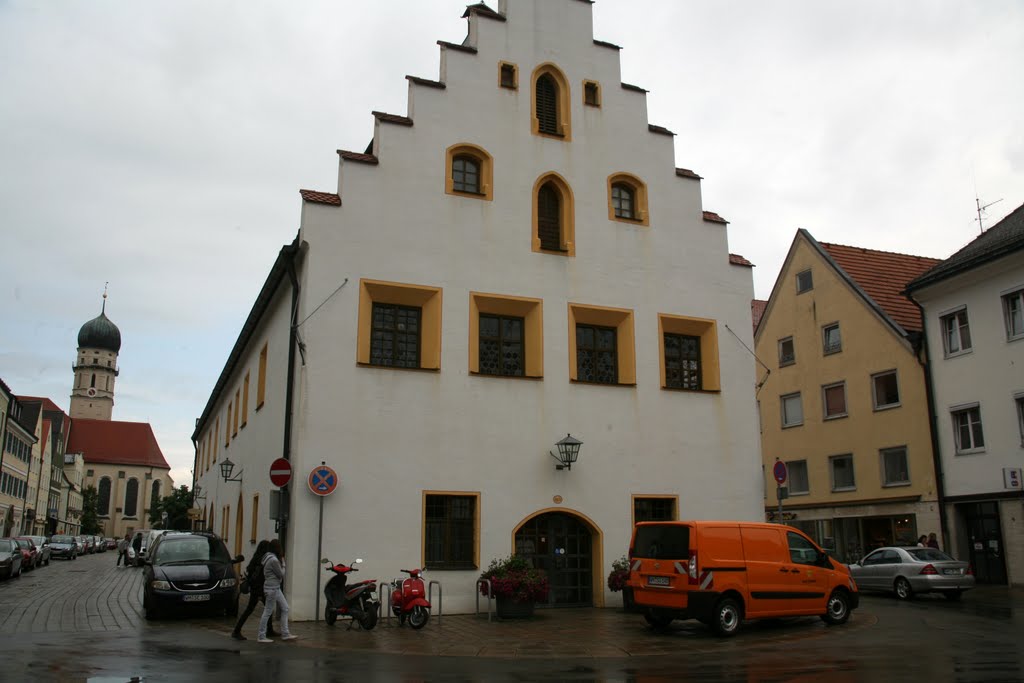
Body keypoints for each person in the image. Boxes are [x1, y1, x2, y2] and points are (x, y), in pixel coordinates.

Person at [231, 540, 276, 640]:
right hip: (259, 589)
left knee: (265, 608)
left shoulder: (255, 558)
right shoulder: (262, 560)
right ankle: (236, 631)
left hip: (255, 588)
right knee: (253, 609)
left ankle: (270, 629)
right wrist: (260, 591)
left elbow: (250, 571)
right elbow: (260, 577)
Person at [257, 538, 297, 643]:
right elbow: (281, 574)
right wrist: (283, 563)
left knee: (285, 608)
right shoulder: (273, 560)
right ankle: (261, 636)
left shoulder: (267, 557)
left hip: (275, 587)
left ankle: (285, 633)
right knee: (268, 612)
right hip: (272, 588)